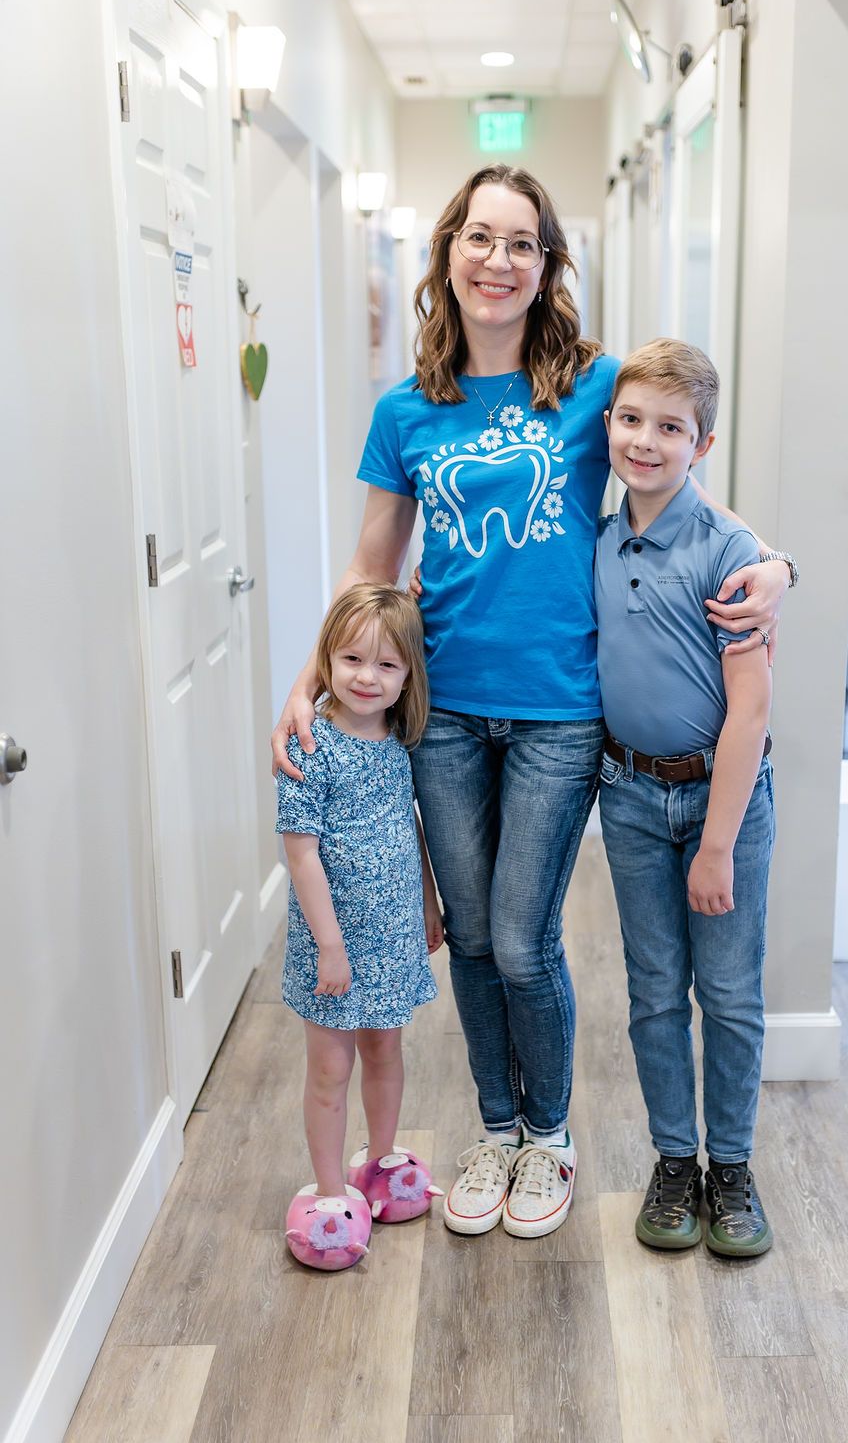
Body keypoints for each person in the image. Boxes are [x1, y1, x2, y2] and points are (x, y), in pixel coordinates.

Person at [272, 164, 794, 1242]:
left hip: (562, 711)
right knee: (464, 934)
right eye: (478, 236)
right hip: (444, 712)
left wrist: (774, 559)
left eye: (521, 242)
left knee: (520, 936)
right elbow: (374, 563)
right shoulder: (406, 409)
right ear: (448, 251)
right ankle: (496, 1124)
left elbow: (677, 472)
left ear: (547, 261)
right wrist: (309, 677)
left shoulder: (593, 382)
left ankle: (548, 1133)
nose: (497, 260)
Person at [596, 339, 778, 1257]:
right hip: (628, 796)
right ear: (609, 426)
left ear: (702, 444)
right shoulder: (598, 539)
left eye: (671, 427)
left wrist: (716, 843)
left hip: (723, 806)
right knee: (656, 992)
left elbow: (748, 712)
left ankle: (732, 1166)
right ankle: (676, 1160)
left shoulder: (734, 554)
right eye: (632, 420)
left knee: (732, 995)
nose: (646, 441)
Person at [276, 584, 443, 1207]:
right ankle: (327, 1192)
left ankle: (379, 1159)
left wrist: (427, 900)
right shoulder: (309, 745)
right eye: (351, 659)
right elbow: (301, 854)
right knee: (330, 1069)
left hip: (392, 932)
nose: (367, 677)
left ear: (407, 676)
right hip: (333, 944)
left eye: (386, 664)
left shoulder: (400, 744)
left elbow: (411, 827)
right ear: (326, 661)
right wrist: (329, 946)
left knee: (385, 1049)